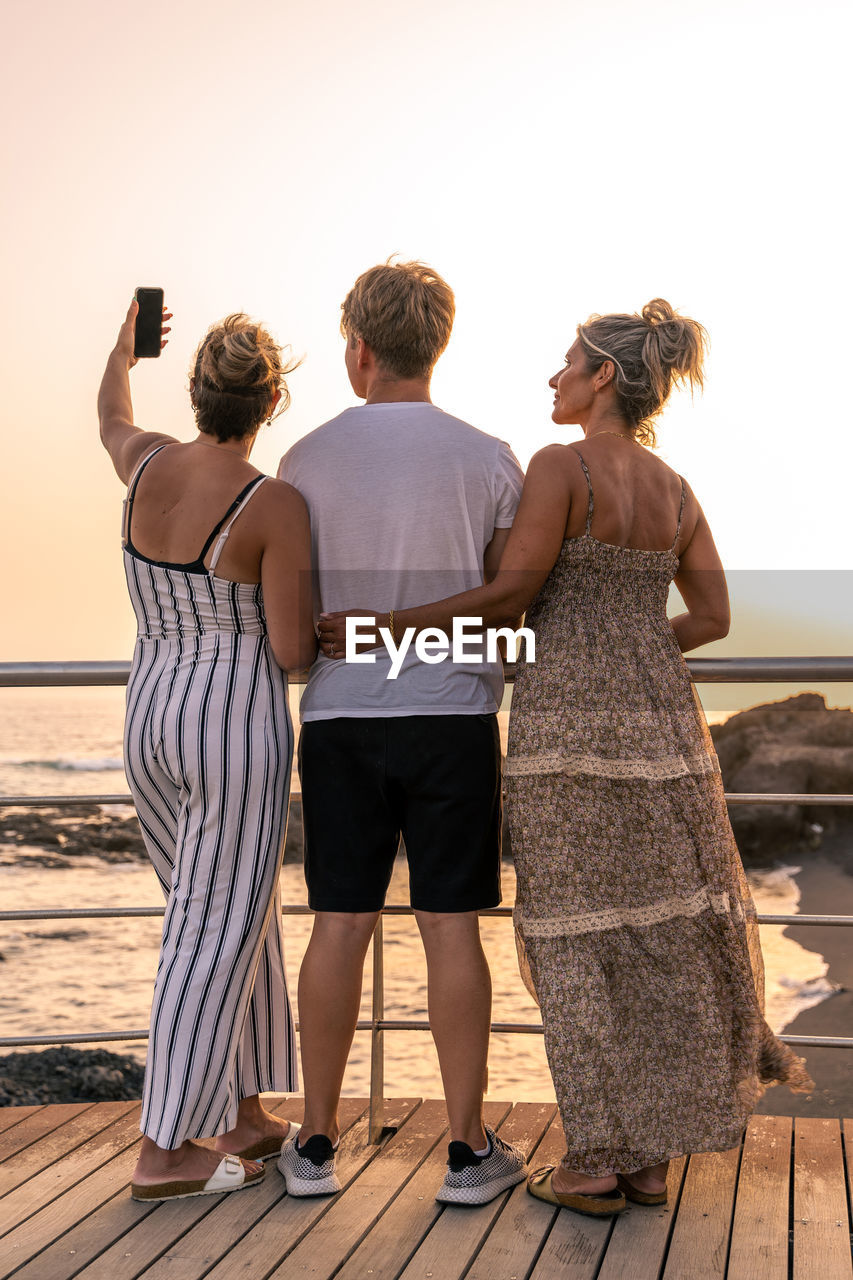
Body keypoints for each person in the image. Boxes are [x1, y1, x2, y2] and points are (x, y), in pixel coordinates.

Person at [319, 298, 812, 1216]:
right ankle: (649, 1157)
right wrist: (628, 642)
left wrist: (378, 632)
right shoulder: (674, 488)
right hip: (664, 729)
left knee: (574, 938)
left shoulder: (561, 465)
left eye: (566, 364)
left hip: (567, 734)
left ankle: (591, 1161)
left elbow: (509, 598)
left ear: (603, 380)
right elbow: (710, 621)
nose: (553, 377)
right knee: (657, 930)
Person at [276, 260, 528, 1204]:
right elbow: (509, 616)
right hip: (453, 719)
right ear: (437, 345)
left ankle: (312, 1143)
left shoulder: (303, 460)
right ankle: (466, 1153)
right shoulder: (488, 458)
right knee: (450, 927)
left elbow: (293, 630)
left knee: (339, 924)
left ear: (361, 348)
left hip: (341, 716)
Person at [99, 300, 316, 1202]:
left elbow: (108, 412)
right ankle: (166, 1148)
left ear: (196, 393)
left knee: (231, 917)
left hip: (148, 715)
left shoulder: (143, 460)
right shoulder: (274, 504)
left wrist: (120, 349)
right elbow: (293, 649)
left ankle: (239, 1111)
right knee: (210, 931)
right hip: (229, 722)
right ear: (271, 402)